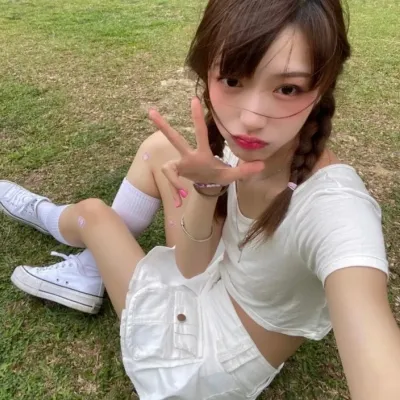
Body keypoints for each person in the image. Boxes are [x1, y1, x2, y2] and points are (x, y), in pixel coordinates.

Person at [1, 0, 400, 398]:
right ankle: (92, 269)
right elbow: (190, 267)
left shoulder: (337, 209)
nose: (251, 117)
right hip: (213, 288)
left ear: (323, 85)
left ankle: (47, 217)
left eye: (287, 88)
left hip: (200, 367)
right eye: (233, 79)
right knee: (159, 149)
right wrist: (207, 190)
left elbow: (377, 355)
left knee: (93, 214)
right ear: (205, 72)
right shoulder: (251, 150)